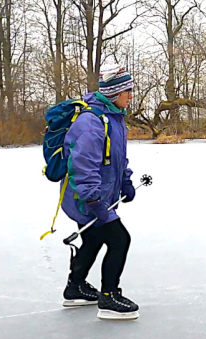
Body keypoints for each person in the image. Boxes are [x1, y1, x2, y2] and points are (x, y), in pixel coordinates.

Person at [59, 64, 139, 320]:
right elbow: (83, 166)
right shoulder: (91, 122)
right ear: (115, 93)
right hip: (86, 197)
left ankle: (75, 287)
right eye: (128, 91)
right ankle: (109, 297)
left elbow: (117, 158)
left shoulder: (114, 119)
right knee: (119, 239)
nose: (131, 96)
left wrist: (125, 181)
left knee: (93, 239)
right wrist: (94, 200)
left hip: (99, 195)